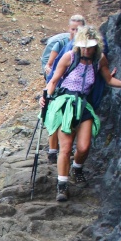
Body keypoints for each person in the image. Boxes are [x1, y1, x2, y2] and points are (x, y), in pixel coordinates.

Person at [38, 25, 121, 202]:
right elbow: (54, 80)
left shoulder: (99, 60)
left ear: (96, 46)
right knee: (65, 148)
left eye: (90, 46)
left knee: (84, 147)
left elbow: (108, 79)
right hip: (65, 104)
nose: (87, 50)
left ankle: (77, 168)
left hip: (83, 105)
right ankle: (62, 185)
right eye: (84, 46)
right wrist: (44, 97)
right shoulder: (69, 57)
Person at [40, 14, 86, 164]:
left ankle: (64, 148)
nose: (74, 31)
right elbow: (50, 64)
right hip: (58, 84)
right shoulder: (61, 44)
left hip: (73, 89)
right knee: (55, 115)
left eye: (78, 29)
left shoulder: (86, 47)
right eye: (73, 28)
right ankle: (53, 151)